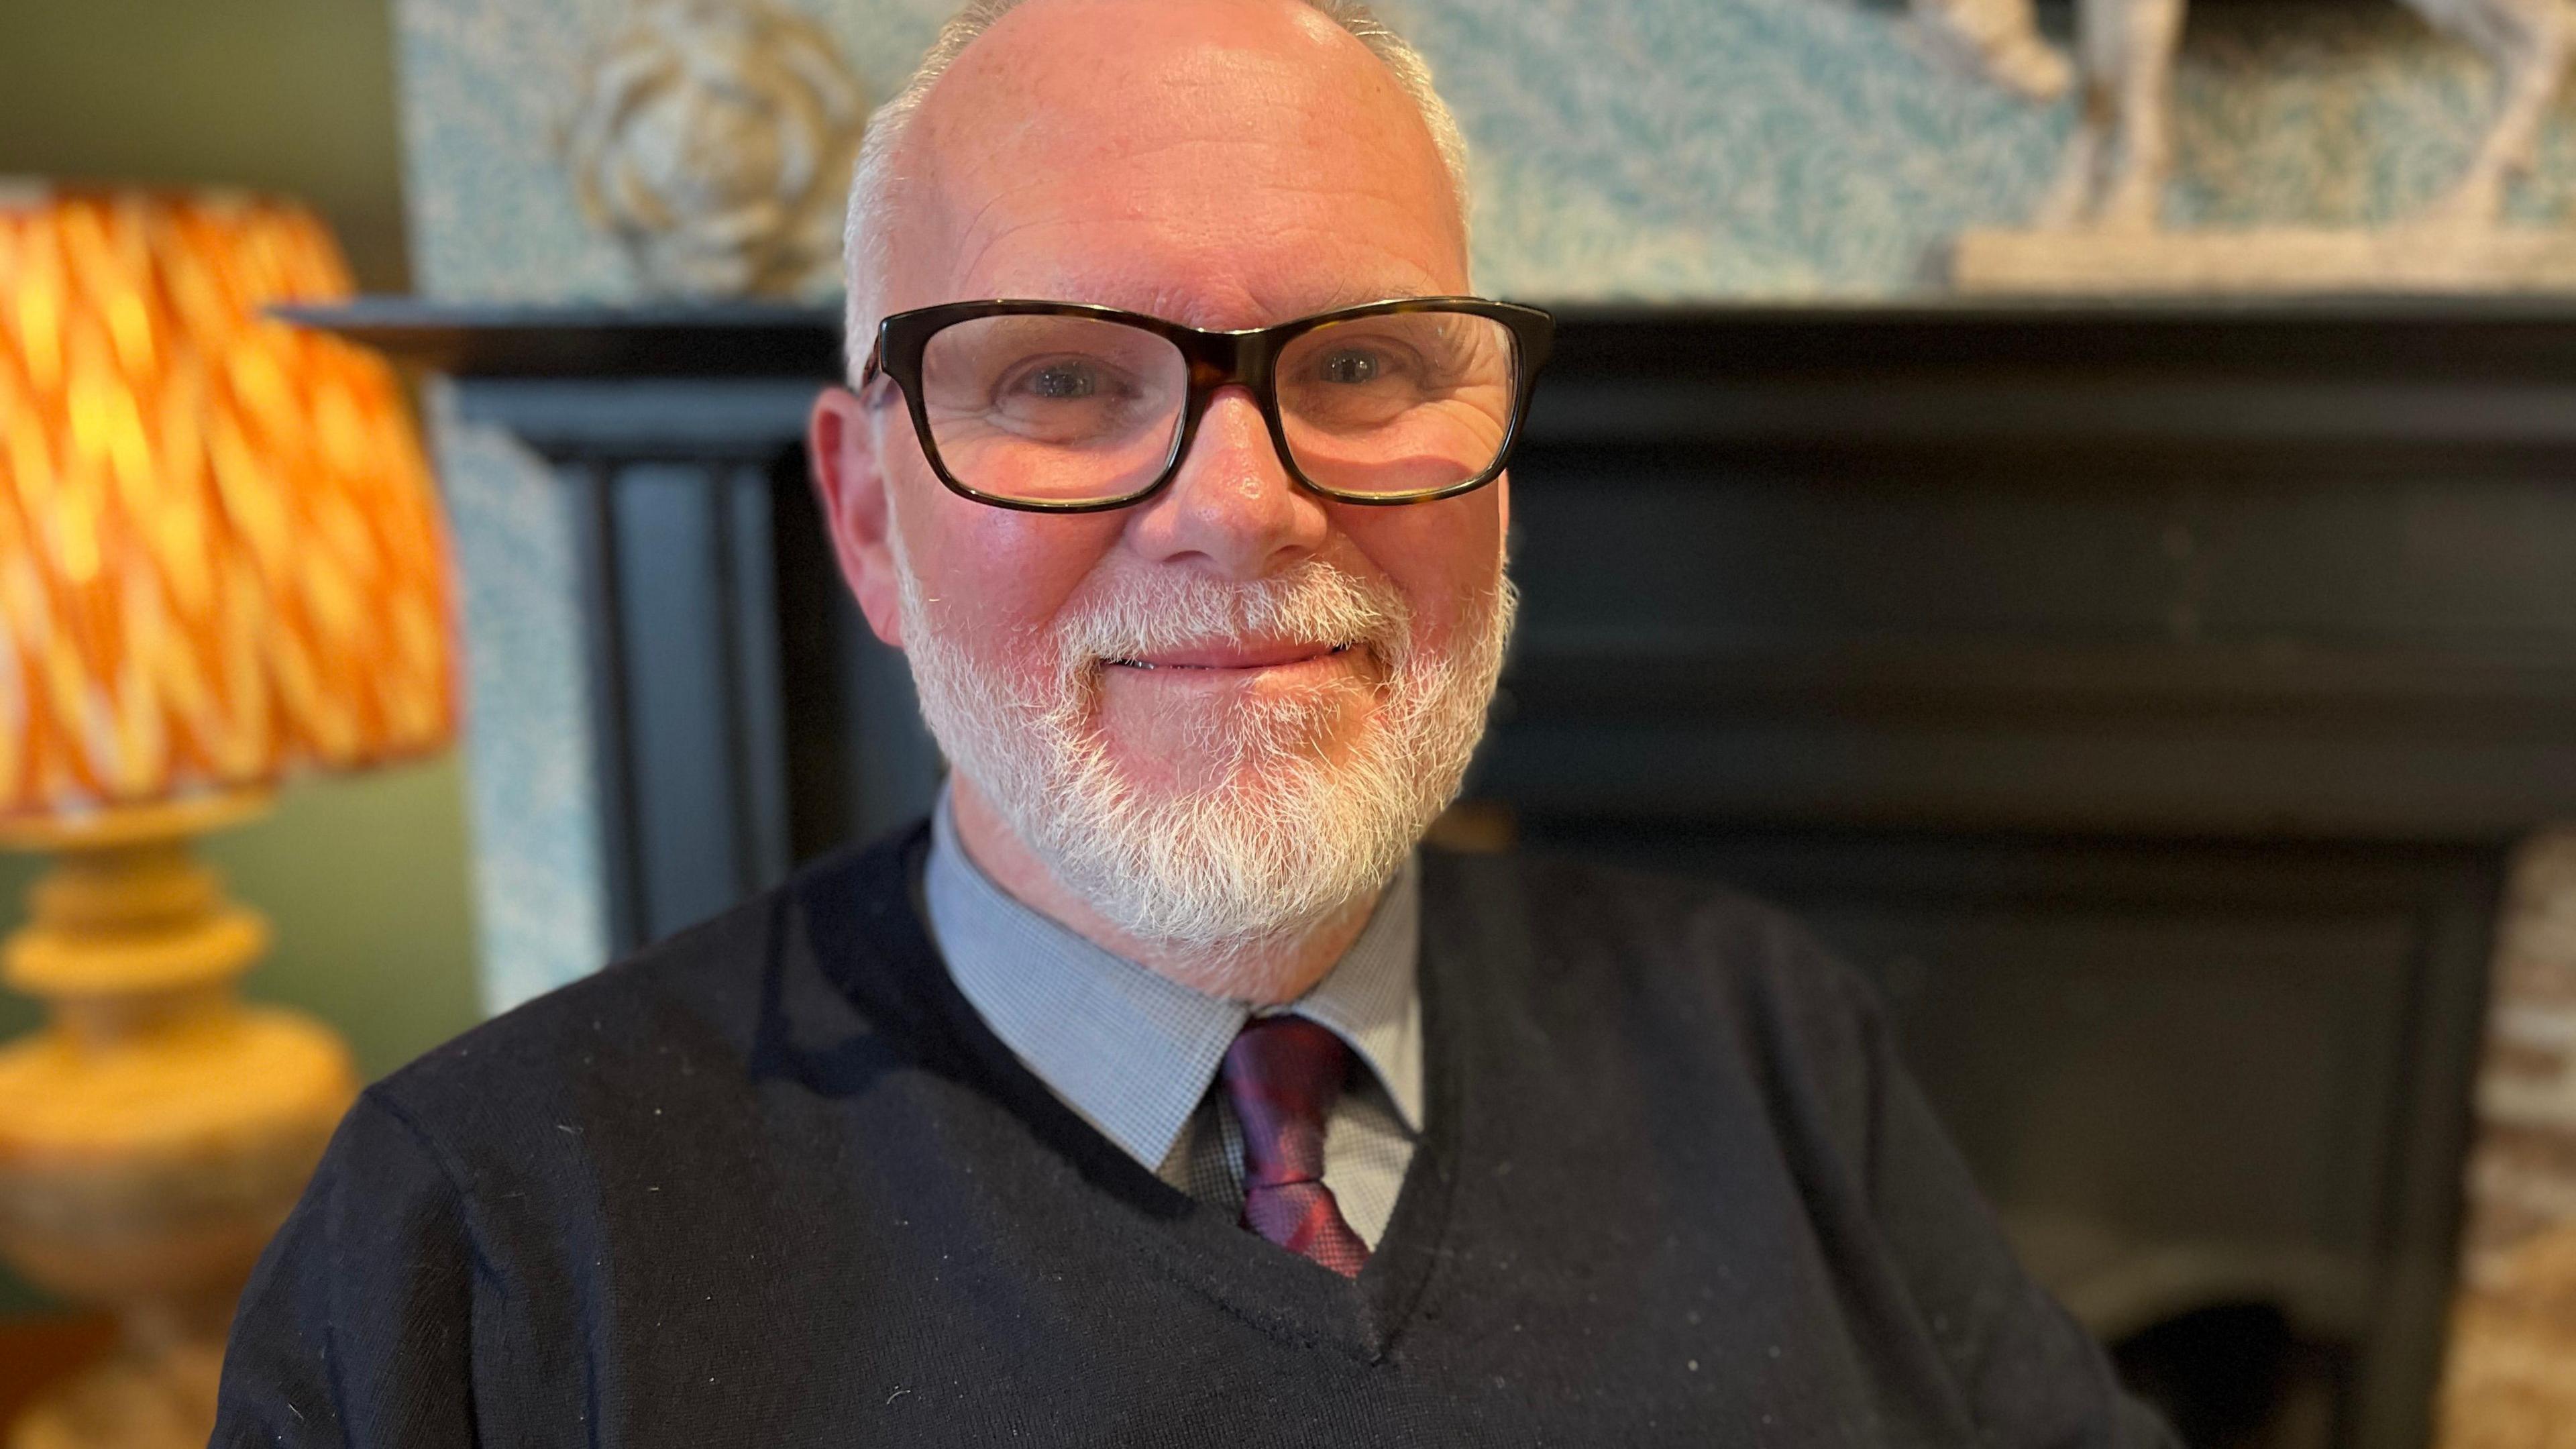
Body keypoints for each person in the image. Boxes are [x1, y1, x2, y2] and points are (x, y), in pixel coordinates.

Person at [213, 1, 2178, 1443]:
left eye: (1364, 361)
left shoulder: (1761, 1035)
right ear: (868, 516)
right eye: (1060, 382)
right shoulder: (479, 1244)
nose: (1242, 500)